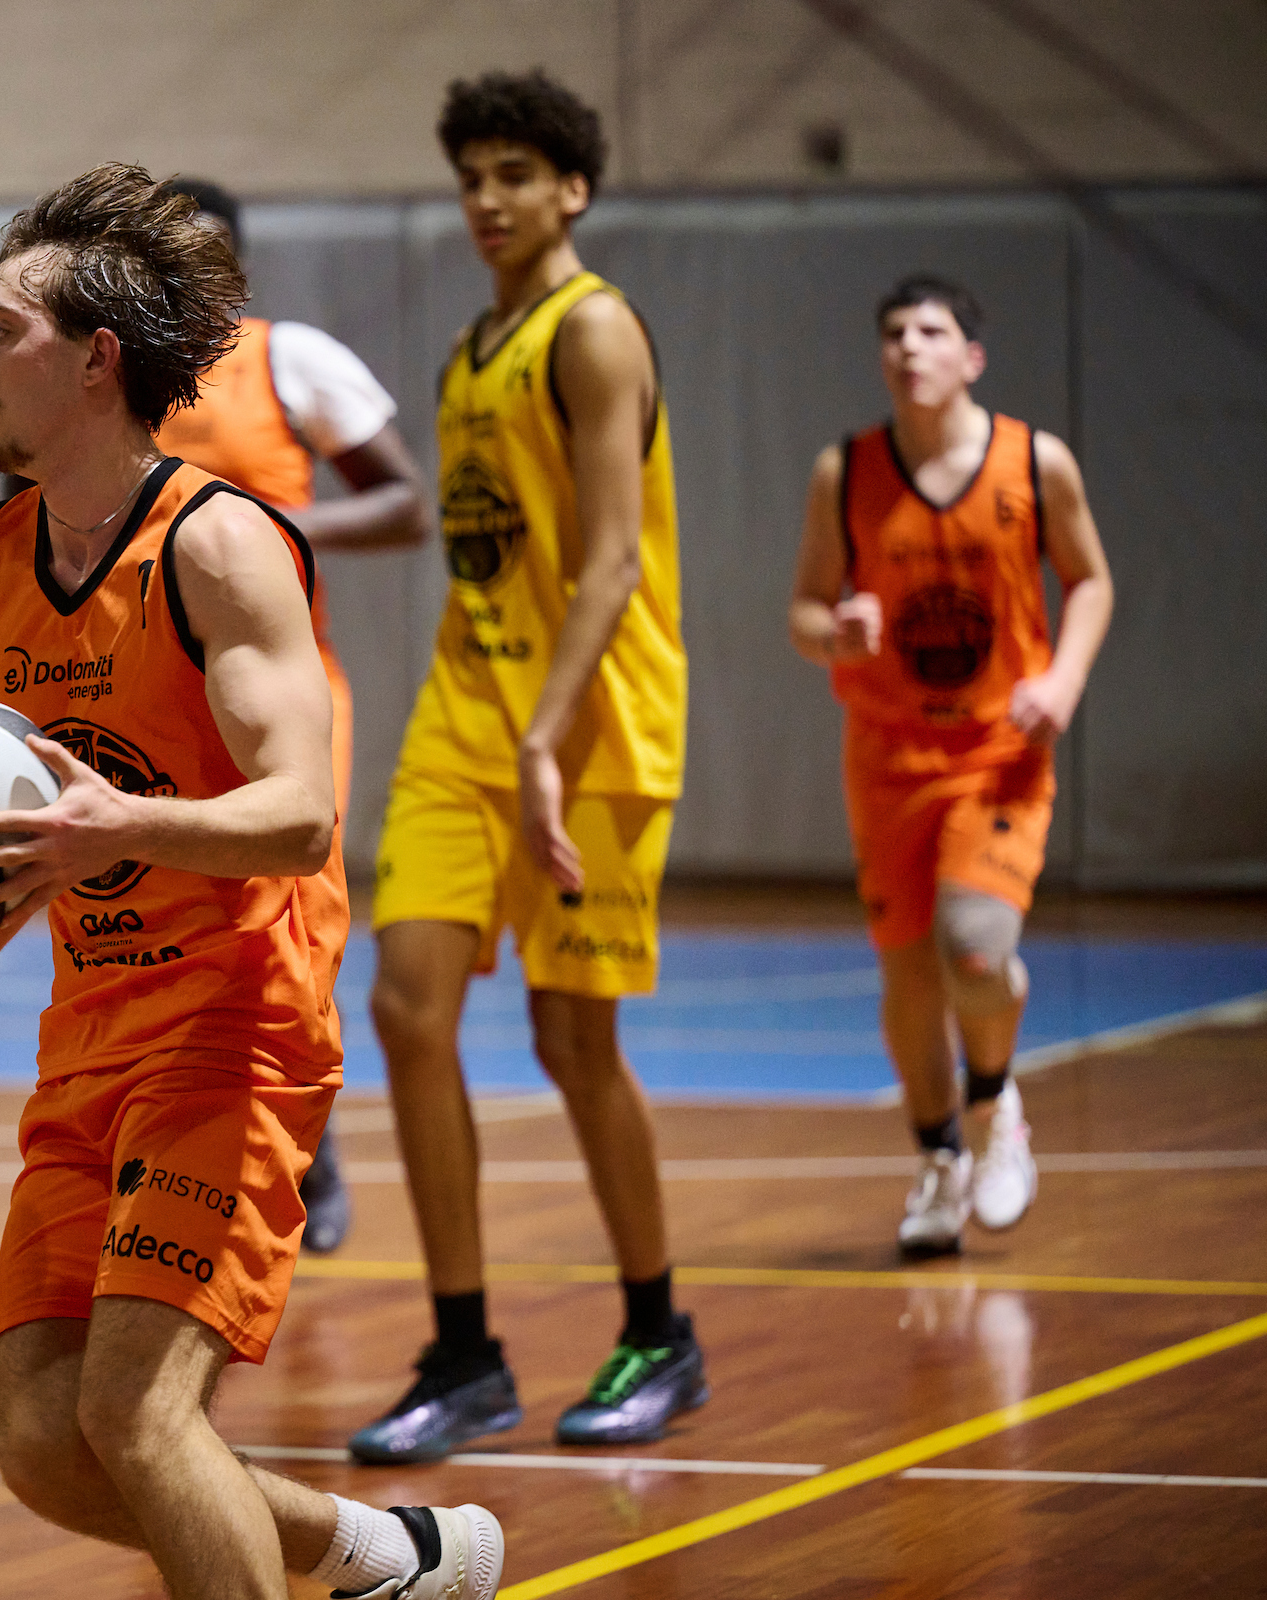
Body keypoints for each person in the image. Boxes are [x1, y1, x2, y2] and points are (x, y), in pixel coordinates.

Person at [0, 165, 503, 1600]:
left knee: (139, 1413)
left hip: (236, 1031)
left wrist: (118, 831)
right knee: (41, 1440)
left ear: (96, 361)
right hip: (91, 1038)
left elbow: (301, 815)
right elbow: (29, 838)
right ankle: (391, 1558)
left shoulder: (219, 544)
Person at [348, 71, 707, 1465]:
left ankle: (659, 1332)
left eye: (514, 175)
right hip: (466, 719)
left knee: (574, 1042)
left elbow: (613, 558)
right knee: (405, 1008)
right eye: (470, 179)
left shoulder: (594, 331)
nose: (487, 202)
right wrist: (494, 727)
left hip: (597, 727)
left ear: (574, 189)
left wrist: (550, 739)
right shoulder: (467, 346)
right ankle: (462, 1352)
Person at [789, 274, 1112, 1257]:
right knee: (908, 979)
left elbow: (1090, 579)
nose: (908, 346)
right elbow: (803, 611)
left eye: (930, 331)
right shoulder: (844, 471)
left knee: (975, 951)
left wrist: (1062, 681)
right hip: (887, 755)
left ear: (971, 358)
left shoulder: (1033, 461)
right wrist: (834, 632)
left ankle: (995, 1101)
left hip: (998, 753)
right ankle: (938, 1160)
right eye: (893, 332)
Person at [154, 176, 433, 1255]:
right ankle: (194, 1163)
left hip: (282, 694)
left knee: (288, 932)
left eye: (207, 254)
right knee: (173, 942)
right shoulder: (107, 380)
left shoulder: (290, 360)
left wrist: (278, 520)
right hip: (145, 700)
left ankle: (312, 1148)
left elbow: (408, 501)